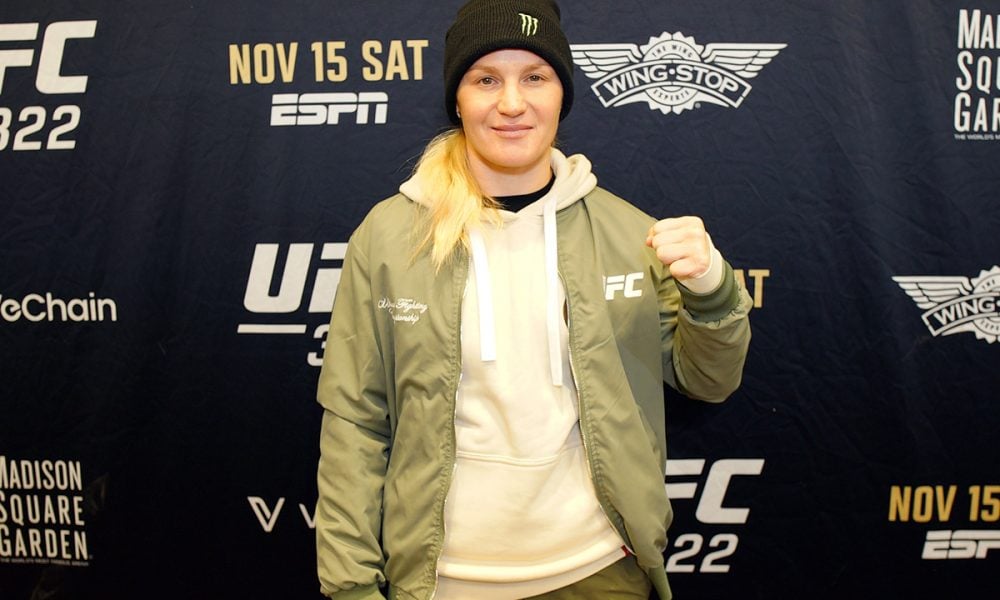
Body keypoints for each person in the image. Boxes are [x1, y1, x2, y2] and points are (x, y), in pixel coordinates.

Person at [315, 0, 752, 598]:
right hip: (442, 581)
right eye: (486, 79)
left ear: (561, 95)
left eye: (535, 78)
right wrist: (350, 587)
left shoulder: (629, 233)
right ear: (458, 99)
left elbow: (709, 382)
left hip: (600, 572)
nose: (513, 104)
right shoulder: (390, 235)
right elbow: (355, 424)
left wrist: (712, 291)